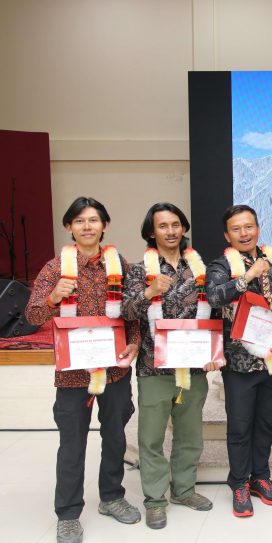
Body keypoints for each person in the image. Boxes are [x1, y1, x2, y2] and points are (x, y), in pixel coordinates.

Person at [25, 197, 141, 543]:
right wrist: (52, 298)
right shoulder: (55, 268)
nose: (87, 226)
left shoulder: (119, 264)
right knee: (72, 443)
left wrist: (135, 342)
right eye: (79, 221)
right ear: (69, 227)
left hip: (115, 370)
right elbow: (32, 315)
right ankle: (68, 513)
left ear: (104, 225)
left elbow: (131, 312)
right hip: (72, 374)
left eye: (93, 220)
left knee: (115, 436)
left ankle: (112, 497)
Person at [121, 203, 216, 529]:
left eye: (176, 224)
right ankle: (155, 500)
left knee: (190, 436)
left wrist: (216, 352)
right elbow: (125, 312)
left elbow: (216, 313)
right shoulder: (139, 270)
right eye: (163, 226)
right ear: (151, 232)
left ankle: (184, 490)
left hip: (195, 368)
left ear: (183, 228)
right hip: (154, 368)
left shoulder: (200, 268)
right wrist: (149, 292)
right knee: (151, 438)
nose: (171, 231)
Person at [205, 205, 272, 517]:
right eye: (236, 229)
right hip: (238, 362)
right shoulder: (221, 265)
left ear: (258, 228)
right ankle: (239, 482)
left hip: (270, 359)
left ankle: (260, 478)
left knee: (266, 423)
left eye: (249, 226)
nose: (244, 233)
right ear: (227, 235)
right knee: (240, 426)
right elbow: (214, 296)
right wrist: (247, 277)